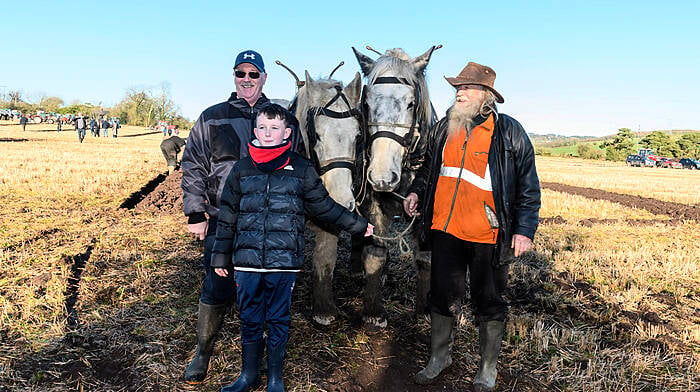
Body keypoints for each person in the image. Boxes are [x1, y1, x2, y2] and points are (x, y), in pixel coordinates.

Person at [212, 104, 373, 392]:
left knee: (277, 319)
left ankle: (275, 377)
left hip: (283, 263)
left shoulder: (301, 168)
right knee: (249, 318)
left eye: (274, 128)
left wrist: (358, 225)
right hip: (247, 262)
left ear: (287, 132)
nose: (267, 133)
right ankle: (248, 375)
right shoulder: (242, 168)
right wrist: (221, 255)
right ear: (255, 130)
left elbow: (323, 207)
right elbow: (228, 215)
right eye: (262, 127)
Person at [404, 62, 541, 391]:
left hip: (488, 236)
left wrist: (523, 230)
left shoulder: (509, 133)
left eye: (467, 88)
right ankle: (439, 358)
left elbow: (527, 186)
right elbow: (429, 171)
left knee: (488, 301)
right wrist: (416, 191)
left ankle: (487, 369)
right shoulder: (443, 128)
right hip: (445, 232)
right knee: (440, 297)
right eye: (457, 88)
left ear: (488, 97)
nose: (460, 93)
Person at [181, 49, 303, 384]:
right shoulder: (212, 117)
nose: (246, 80)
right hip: (225, 220)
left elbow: (302, 167)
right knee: (217, 285)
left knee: (269, 293)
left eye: (253, 74)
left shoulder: (283, 117)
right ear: (234, 77)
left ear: (264, 78)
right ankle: (203, 350)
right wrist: (196, 212)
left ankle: (262, 367)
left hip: (270, 225)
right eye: (241, 73)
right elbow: (193, 165)